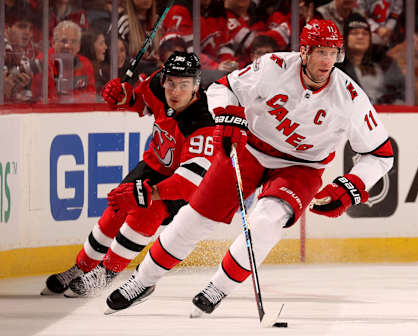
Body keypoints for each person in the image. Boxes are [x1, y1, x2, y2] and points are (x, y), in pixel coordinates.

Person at [104, 19, 394, 314]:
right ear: (304, 52)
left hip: (302, 168)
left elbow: (381, 154)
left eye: (333, 53)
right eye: (321, 52)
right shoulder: (273, 66)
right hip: (249, 150)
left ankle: (218, 288)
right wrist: (227, 115)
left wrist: (353, 186)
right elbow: (221, 89)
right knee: (194, 218)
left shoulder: (351, 97)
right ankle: (143, 280)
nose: (328, 61)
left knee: (266, 221)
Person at [40, 51, 216, 297]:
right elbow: (142, 103)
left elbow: (188, 185)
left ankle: (105, 273)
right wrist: (124, 96)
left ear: (196, 86)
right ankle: (81, 267)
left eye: (184, 85)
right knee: (115, 208)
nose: (175, 91)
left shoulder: (202, 123)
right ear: (164, 79)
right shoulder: (157, 84)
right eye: (172, 83)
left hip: (178, 181)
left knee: (145, 214)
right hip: (152, 166)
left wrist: (148, 193)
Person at [31, 20, 96, 103]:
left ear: (79, 46)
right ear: (53, 43)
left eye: (73, 41)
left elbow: (91, 96)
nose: (68, 46)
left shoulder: (85, 64)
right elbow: (40, 97)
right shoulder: (42, 61)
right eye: (63, 41)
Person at [337, 13, 391, 104]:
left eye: (365, 33)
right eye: (354, 33)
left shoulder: (381, 66)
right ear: (345, 38)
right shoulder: (336, 69)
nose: (360, 37)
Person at [79, 28, 108, 98]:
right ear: (91, 47)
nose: (106, 47)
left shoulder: (102, 70)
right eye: (101, 43)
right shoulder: (83, 70)